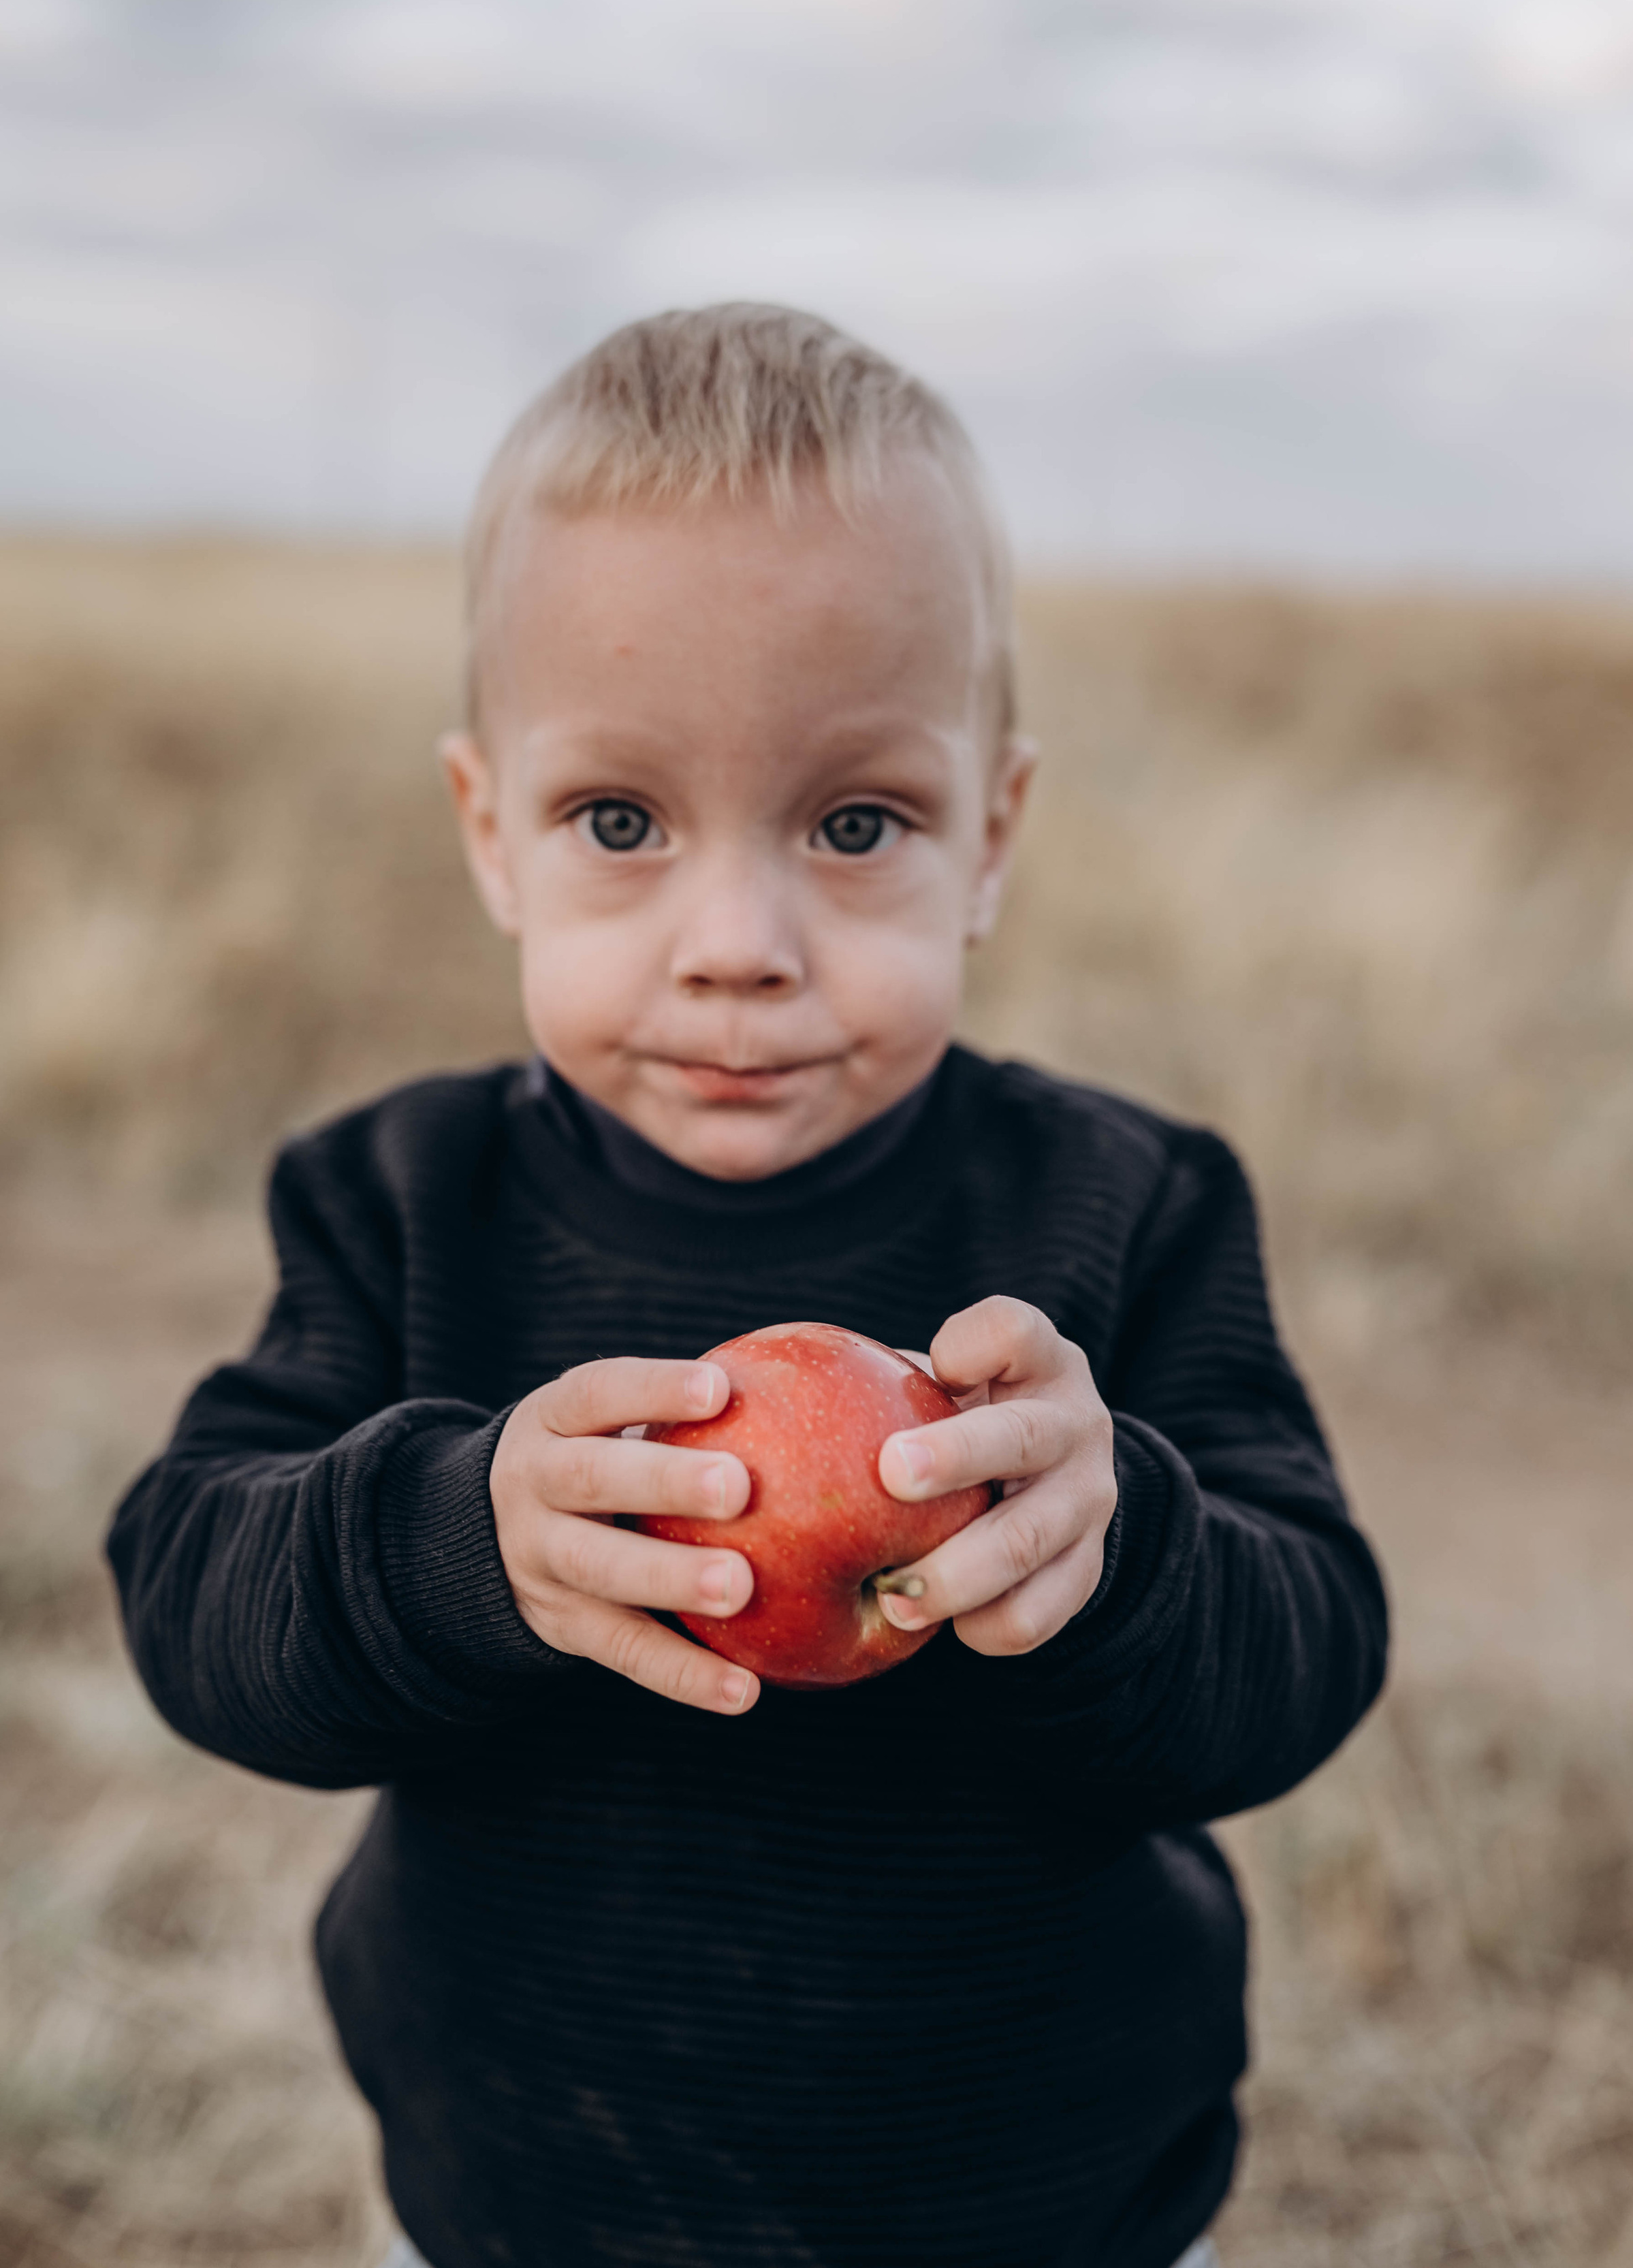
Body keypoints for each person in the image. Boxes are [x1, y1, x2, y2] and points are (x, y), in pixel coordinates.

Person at [108, 304, 1388, 2268]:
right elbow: (194, 1595)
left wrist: (1114, 1547)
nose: (737, 942)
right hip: (522, 2212)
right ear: (492, 834)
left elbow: (1309, 1647)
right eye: (620, 822)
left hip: (1051, 2214)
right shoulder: (399, 1202)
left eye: (855, 824)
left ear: (990, 840)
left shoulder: (1125, 1205)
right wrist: (463, 1543)